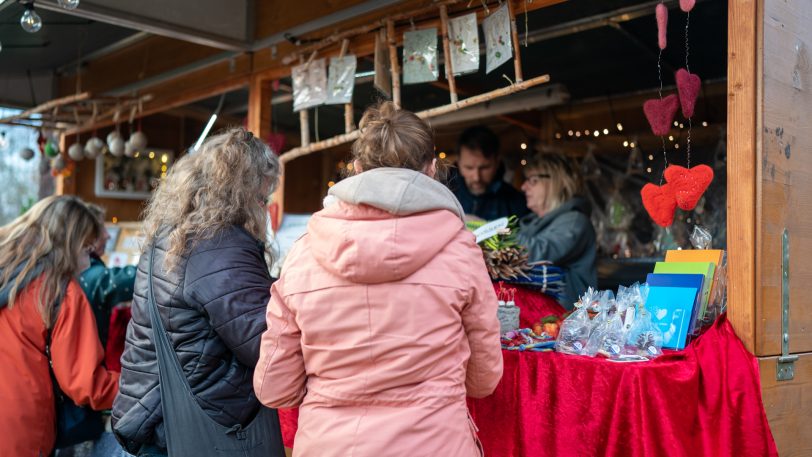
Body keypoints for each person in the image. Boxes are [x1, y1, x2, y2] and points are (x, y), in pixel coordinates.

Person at [254, 102, 503, 457]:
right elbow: (483, 380)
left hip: (331, 445)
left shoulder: (304, 253)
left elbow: (274, 387)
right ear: (432, 169)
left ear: (355, 169)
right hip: (435, 443)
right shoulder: (461, 249)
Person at [112, 128, 284, 456]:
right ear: (244, 189)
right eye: (264, 196)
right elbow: (262, 345)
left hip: (156, 415)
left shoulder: (172, 236)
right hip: (201, 426)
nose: (264, 205)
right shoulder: (221, 244)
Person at [0, 195, 120, 456]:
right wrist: (139, 387)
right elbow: (86, 384)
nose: (90, 259)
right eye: (88, 248)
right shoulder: (59, 290)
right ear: (72, 243)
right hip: (20, 431)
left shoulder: (7, 270)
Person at [517, 153, 597, 308]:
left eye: (533, 181)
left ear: (556, 182)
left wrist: (491, 231)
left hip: (564, 322)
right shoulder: (532, 222)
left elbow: (537, 253)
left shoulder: (574, 221)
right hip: (537, 317)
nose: (523, 187)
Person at [79, 203, 137, 350]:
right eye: (101, 229)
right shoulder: (89, 273)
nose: (108, 235)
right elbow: (125, 280)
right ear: (86, 235)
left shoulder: (88, 267)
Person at [449, 125, 528, 221]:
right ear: (458, 162)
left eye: (484, 168)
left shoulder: (516, 203)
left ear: (497, 162)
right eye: (469, 168)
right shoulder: (444, 195)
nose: (476, 177)